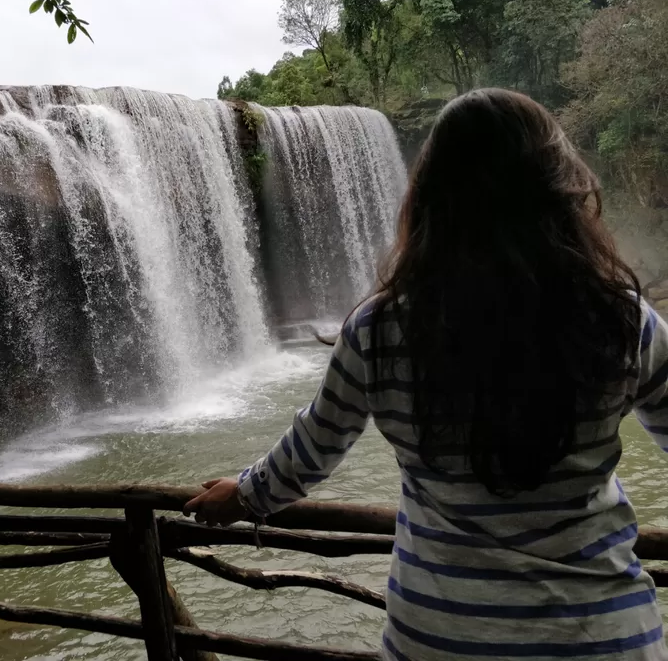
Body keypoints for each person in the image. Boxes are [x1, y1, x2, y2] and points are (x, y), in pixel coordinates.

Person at [184, 88, 668, 660]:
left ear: (430, 198)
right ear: (558, 190)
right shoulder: (621, 322)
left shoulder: (379, 329)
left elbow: (315, 445)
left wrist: (244, 496)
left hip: (438, 639)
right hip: (602, 637)